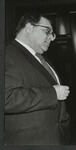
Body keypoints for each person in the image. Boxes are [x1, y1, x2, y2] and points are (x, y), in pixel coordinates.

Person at [5, 12, 70, 145]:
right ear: (29, 27)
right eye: (47, 31)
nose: (51, 38)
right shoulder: (8, 55)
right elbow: (7, 98)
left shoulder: (40, 57)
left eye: (52, 34)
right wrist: (53, 94)